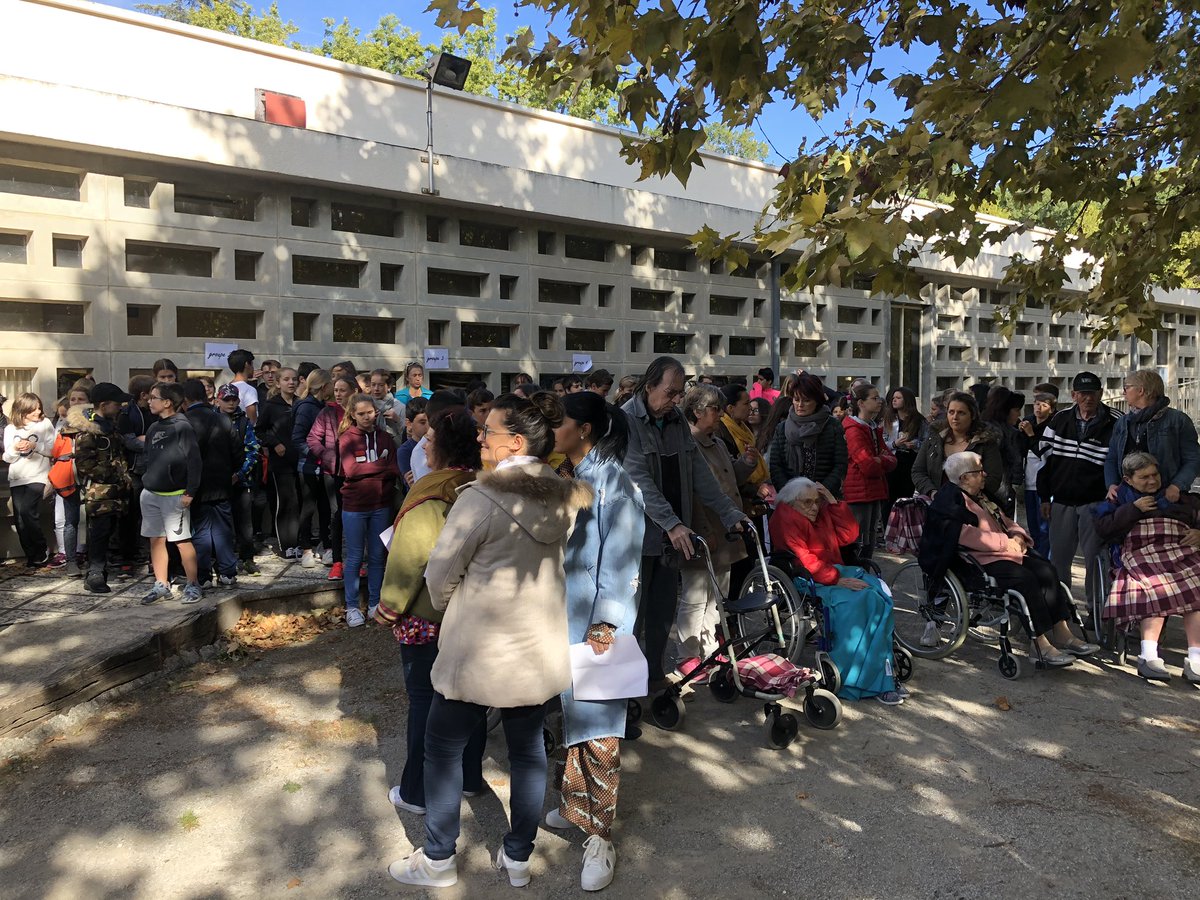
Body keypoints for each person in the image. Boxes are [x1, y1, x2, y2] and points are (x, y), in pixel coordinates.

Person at [390, 392, 592, 889]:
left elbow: (439, 574)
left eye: (490, 432)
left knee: (441, 749)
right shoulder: (564, 494)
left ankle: (438, 858)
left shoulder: (481, 497)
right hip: (537, 646)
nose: (481, 437)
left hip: (479, 649)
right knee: (528, 753)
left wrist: (455, 605)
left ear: (515, 442)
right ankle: (518, 856)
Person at [545, 390, 644, 892]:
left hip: (598, 627)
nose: (550, 429)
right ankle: (576, 808)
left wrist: (606, 622)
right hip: (562, 621)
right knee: (572, 719)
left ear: (584, 429)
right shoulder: (569, 477)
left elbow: (622, 560)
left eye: (558, 422)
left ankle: (601, 837)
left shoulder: (615, 484)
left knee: (601, 731)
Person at [375, 407, 485, 815]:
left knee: (425, 699)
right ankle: (470, 778)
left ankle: (417, 791)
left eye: (430, 439)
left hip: (427, 615)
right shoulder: (481, 485)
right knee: (470, 696)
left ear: (441, 448)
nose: (424, 445)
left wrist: (388, 608)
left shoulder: (430, 494)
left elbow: (410, 559)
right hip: (471, 611)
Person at [621, 357, 747, 688]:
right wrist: (673, 524)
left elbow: (699, 475)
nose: (677, 400)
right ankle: (627, 686)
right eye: (671, 392)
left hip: (672, 536)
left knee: (662, 611)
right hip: (639, 534)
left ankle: (654, 674)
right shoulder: (626, 420)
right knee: (632, 616)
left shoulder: (675, 419)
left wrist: (729, 512)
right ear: (649, 387)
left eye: (680, 393)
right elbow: (639, 482)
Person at [919, 451, 1099, 663]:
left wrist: (1018, 536)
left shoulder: (981, 495)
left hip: (1005, 553)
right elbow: (965, 535)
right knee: (1025, 580)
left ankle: (1062, 631)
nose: (985, 474)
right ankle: (1039, 645)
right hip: (977, 562)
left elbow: (1004, 520)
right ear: (964, 477)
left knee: (1047, 570)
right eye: (979, 471)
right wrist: (1007, 543)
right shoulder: (949, 500)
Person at [770, 477, 906, 704]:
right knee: (858, 602)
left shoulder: (821, 511)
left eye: (817, 501)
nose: (814, 507)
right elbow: (804, 560)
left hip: (835, 572)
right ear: (792, 503)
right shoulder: (784, 518)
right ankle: (858, 680)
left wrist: (833, 502)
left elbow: (849, 535)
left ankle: (881, 675)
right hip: (809, 579)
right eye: (807, 503)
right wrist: (836, 580)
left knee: (880, 597)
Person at [1092, 452, 1200, 684]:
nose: (1152, 481)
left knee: (1198, 588)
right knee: (1153, 587)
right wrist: (1133, 509)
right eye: (1144, 477)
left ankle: (1196, 659)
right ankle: (1149, 657)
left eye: (1155, 475)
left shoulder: (1175, 495)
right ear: (1128, 479)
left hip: (1179, 549)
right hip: (1140, 552)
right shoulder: (1117, 498)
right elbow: (1103, 529)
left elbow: (1196, 515)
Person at [669, 385, 749, 677]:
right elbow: (693, 493)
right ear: (698, 411)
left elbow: (729, 481)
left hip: (725, 531)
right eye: (716, 409)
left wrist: (748, 465)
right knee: (694, 596)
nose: (720, 414)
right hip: (704, 532)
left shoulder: (716, 443)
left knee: (717, 596)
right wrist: (702, 530)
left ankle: (708, 648)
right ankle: (686, 654)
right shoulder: (689, 444)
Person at [1037, 371, 1117, 601]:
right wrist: (1044, 497)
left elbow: (1121, 462)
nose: (1088, 398)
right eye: (1083, 393)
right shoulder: (1060, 419)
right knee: (1059, 559)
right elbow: (1044, 459)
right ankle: (1061, 608)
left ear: (1100, 394)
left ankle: (1095, 610)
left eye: (1092, 393)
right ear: (1074, 395)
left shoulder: (1115, 422)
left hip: (1095, 502)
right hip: (1061, 500)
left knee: (1094, 558)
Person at [335, 394, 398, 626]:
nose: (365, 417)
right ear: (353, 414)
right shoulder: (346, 438)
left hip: (380, 504)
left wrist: (370, 468)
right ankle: (351, 607)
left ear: (376, 412)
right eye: (361, 414)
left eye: (369, 413)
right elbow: (351, 470)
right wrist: (380, 465)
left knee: (377, 555)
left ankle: (374, 603)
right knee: (353, 557)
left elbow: (394, 468)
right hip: (354, 506)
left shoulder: (385, 438)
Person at [139, 382, 203, 605]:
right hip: (151, 493)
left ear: (167, 402)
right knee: (156, 540)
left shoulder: (182, 427)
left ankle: (193, 584)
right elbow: (148, 456)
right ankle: (161, 583)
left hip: (175, 495)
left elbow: (194, 461)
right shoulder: (154, 427)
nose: (149, 401)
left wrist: (190, 492)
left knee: (181, 541)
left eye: (154, 397)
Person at [72, 383, 134, 593]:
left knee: (110, 532)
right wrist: (112, 473)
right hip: (99, 493)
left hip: (116, 492)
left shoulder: (111, 426)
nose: (120, 407)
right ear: (104, 404)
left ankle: (102, 569)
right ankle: (95, 573)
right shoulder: (89, 431)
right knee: (99, 533)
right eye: (117, 403)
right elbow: (84, 464)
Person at [1106, 369, 1200, 505]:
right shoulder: (1123, 422)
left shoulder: (1177, 420)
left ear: (1141, 391)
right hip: (1128, 499)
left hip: (1166, 498)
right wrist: (1112, 484)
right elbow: (1112, 458)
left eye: (1126, 388)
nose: (1123, 393)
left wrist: (1177, 486)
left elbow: (1193, 459)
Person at [183, 379, 241, 589]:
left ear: (185, 399)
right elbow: (238, 453)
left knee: (200, 530)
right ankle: (227, 572)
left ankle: (204, 575)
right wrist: (231, 471)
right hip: (222, 482)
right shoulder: (223, 420)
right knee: (223, 528)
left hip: (196, 485)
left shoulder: (183, 421)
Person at [307, 375, 357, 579]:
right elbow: (312, 438)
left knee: (356, 518)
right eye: (336, 390)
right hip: (333, 473)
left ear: (353, 391)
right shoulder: (326, 412)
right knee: (337, 517)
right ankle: (337, 561)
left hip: (356, 474)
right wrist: (326, 455)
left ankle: (357, 560)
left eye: (342, 390)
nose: (338, 394)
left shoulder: (359, 411)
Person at [911, 391, 1004, 501]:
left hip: (972, 506)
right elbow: (918, 471)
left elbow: (993, 478)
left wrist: (965, 496)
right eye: (951, 412)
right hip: (935, 504)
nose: (955, 417)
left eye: (961, 413)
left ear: (972, 415)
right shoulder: (935, 438)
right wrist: (932, 492)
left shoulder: (985, 442)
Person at [768, 373, 848, 496]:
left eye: (806, 400)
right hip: (791, 498)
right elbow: (776, 465)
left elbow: (840, 465)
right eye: (796, 399)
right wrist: (790, 494)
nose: (800, 405)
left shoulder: (832, 425)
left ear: (817, 401)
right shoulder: (782, 428)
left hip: (824, 497)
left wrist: (821, 492)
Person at [842, 383, 897, 560]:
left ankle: (865, 577)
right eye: (874, 398)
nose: (880, 401)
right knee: (859, 542)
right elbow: (868, 465)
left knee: (869, 541)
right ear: (861, 403)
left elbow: (892, 459)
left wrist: (880, 459)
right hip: (859, 492)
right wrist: (881, 460)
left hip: (872, 490)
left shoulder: (871, 428)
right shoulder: (854, 430)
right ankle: (856, 577)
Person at [3, 393, 56, 568]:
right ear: (22, 410)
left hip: (38, 475)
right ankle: (32, 555)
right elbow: (7, 457)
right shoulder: (11, 429)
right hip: (17, 476)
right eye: (33, 409)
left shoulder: (45, 424)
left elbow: (52, 449)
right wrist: (15, 448)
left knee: (27, 511)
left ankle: (42, 549)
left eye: (39, 408)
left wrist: (35, 446)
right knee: (19, 519)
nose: (38, 412)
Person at [216, 384, 261, 576]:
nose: (231, 403)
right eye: (227, 399)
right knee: (219, 524)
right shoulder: (211, 419)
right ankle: (222, 559)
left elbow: (253, 450)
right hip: (217, 480)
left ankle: (247, 557)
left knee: (245, 522)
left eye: (234, 399)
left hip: (241, 480)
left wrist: (240, 474)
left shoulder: (243, 422)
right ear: (218, 400)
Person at [257, 367, 301, 558]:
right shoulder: (271, 405)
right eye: (286, 379)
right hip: (280, 461)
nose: (290, 383)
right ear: (278, 382)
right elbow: (259, 431)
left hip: (300, 460)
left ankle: (298, 542)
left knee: (298, 501)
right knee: (285, 502)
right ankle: (286, 544)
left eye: (293, 379)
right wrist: (274, 444)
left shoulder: (301, 404)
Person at [293, 369, 334, 569]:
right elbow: (297, 438)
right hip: (308, 467)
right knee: (308, 508)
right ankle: (306, 549)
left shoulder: (325, 406)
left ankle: (327, 547)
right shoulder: (306, 408)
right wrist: (317, 453)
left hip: (325, 468)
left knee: (326, 508)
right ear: (324, 386)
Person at [117, 374, 156, 577]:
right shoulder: (127, 414)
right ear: (144, 395)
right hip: (135, 472)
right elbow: (130, 442)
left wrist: (147, 440)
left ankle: (148, 556)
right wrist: (152, 441)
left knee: (150, 517)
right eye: (152, 395)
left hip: (152, 470)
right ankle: (131, 558)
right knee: (132, 516)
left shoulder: (154, 411)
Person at [1018, 391, 1057, 558]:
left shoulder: (1052, 427)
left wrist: (1031, 434)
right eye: (1036, 404)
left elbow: (1044, 452)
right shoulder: (1029, 422)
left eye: (1044, 405)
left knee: (1045, 528)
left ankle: (1044, 560)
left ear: (1052, 409)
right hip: (1028, 481)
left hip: (1045, 485)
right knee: (1032, 527)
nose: (1038, 408)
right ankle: (1035, 558)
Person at [881, 386, 927, 518]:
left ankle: (903, 528)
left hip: (911, 463)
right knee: (889, 500)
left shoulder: (919, 421)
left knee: (906, 498)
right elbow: (882, 443)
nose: (894, 400)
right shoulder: (889, 420)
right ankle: (887, 529)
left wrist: (915, 444)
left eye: (898, 398)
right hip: (892, 463)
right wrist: (895, 444)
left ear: (907, 400)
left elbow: (926, 442)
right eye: (893, 398)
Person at [398, 397, 428, 490]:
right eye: (422, 422)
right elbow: (413, 483)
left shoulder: (439, 444)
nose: (428, 426)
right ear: (409, 423)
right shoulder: (405, 451)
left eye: (430, 421)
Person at [368, 368, 405, 444]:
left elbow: (407, 434)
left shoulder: (399, 406)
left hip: (394, 448)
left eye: (381, 385)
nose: (376, 389)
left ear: (389, 387)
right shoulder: (367, 405)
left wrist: (397, 420)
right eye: (373, 384)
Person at [226, 348, 259, 424]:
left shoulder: (226, 387)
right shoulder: (249, 390)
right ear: (247, 364)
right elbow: (252, 421)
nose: (253, 368)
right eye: (252, 364)